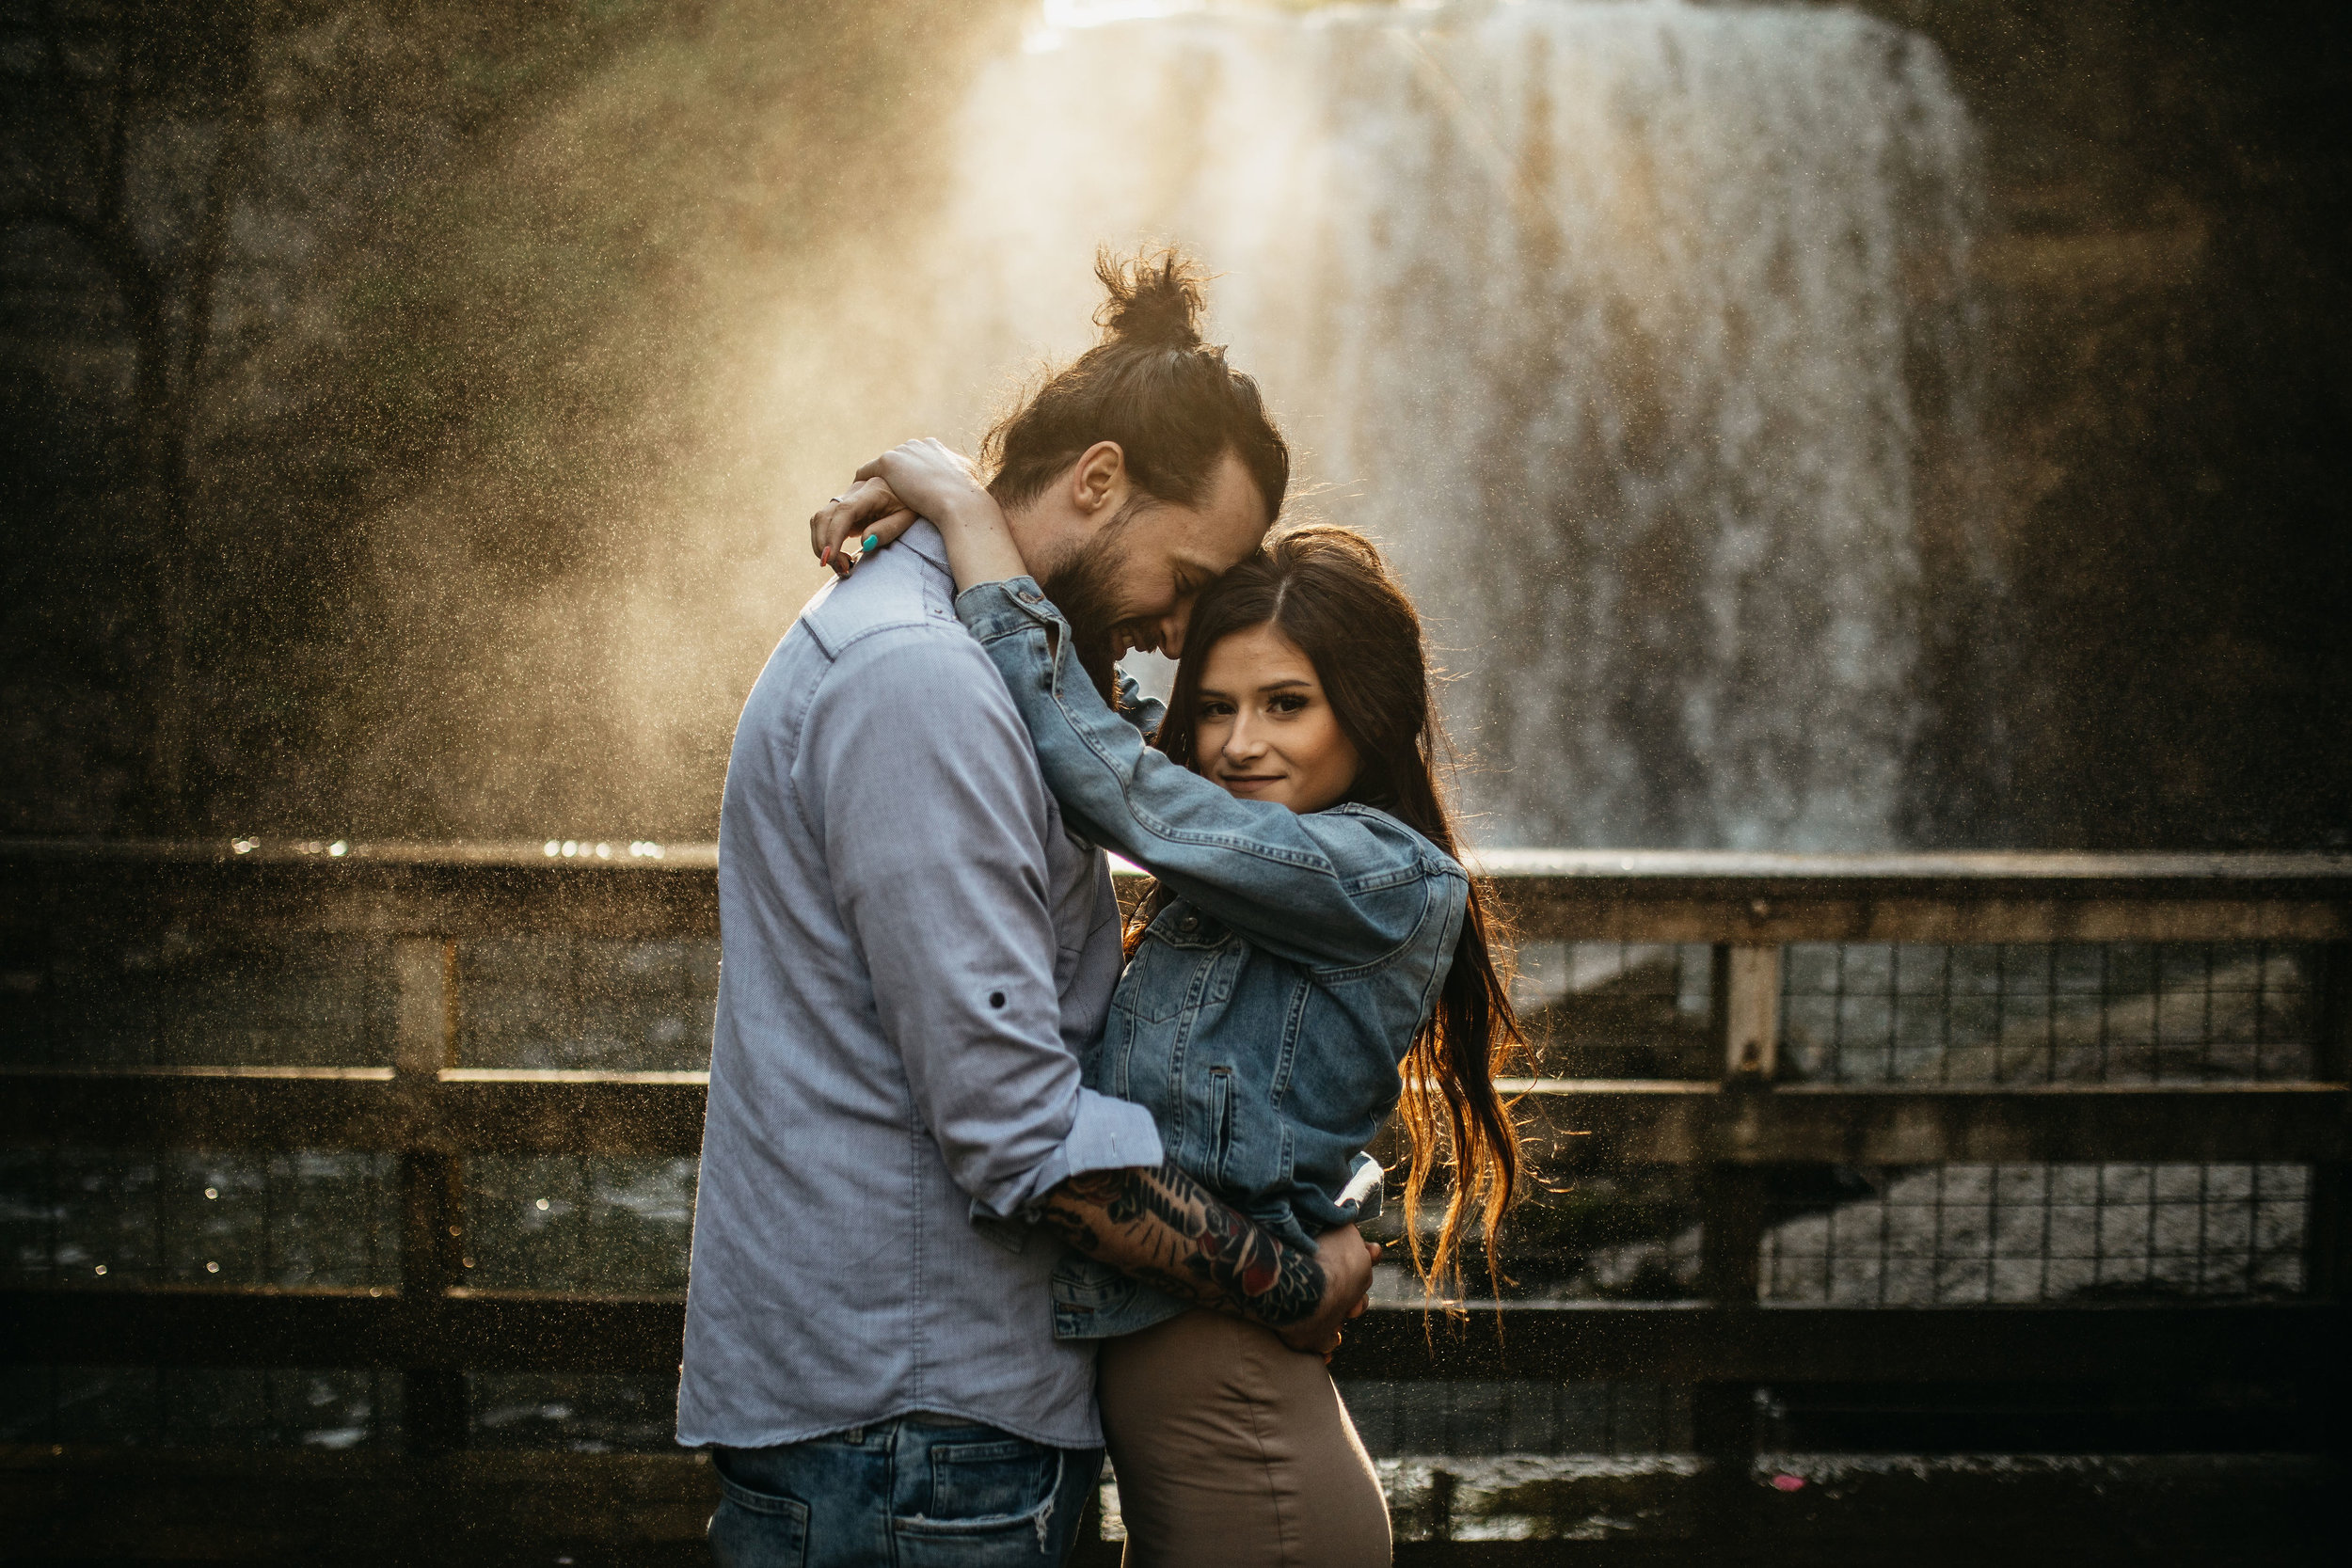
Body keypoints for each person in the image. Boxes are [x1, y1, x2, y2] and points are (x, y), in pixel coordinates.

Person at [678, 249, 1378, 1567]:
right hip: (912, 1433)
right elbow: (1015, 1133)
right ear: (1100, 479)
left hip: (923, 1425)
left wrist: (948, 492)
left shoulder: (983, 667)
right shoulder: (921, 686)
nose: (1184, 632)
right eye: (1187, 574)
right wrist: (1295, 1279)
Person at [840, 438, 1525, 1568]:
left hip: (1252, 1457)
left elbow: (1126, 789)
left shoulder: (1382, 876)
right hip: (1214, 1438)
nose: (1239, 743)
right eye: (1212, 706)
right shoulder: (1248, 882)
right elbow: (1274, 1113)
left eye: (1286, 704)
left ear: (1367, 709)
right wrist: (1334, 1212)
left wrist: (965, 512)